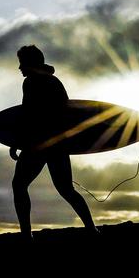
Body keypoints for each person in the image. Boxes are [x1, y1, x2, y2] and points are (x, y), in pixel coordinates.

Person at [10, 44, 97, 239]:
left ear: (31, 63)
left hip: (38, 144)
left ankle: (26, 236)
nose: (19, 68)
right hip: (58, 144)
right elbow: (66, 113)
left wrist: (17, 141)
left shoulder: (32, 82)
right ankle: (92, 230)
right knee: (66, 190)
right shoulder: (54, 81)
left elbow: (29, 116)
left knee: (19, 185)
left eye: (22, 63)